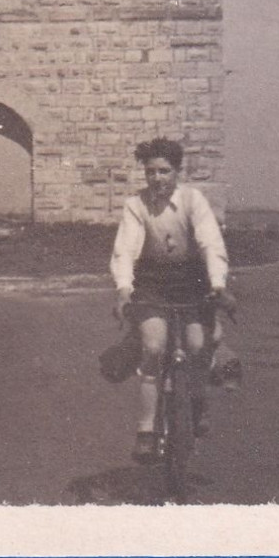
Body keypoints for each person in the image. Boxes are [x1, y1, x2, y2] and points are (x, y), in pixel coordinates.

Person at [109, 137, 237, 464]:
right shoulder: (135, 206)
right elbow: (126, 250)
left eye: (164, 171)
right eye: (150, 172)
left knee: (197, 346)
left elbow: (211, 244)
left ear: (177, 171)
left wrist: (218, 285)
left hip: (193, 283)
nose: (157, 179)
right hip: (152, 284)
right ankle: (146, 431)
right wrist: (124, 289)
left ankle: (196, 402)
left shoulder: (195, 201)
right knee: (153, 347)